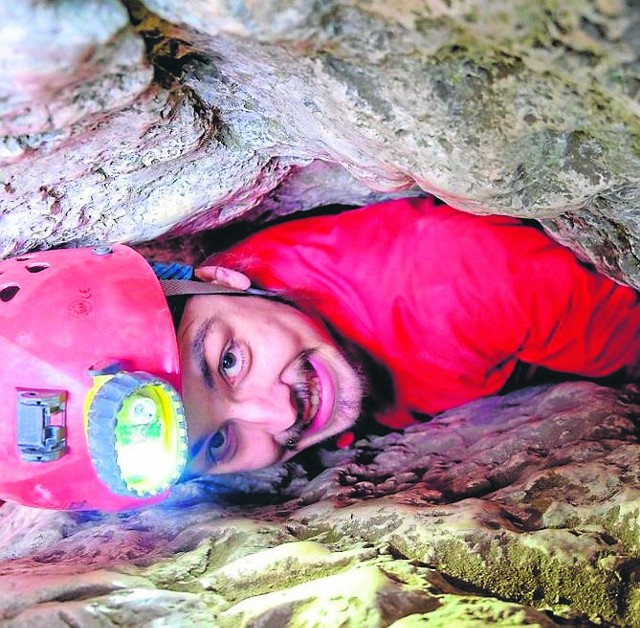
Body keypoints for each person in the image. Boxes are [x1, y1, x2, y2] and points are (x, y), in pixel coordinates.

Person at [177, 196, 640, 479]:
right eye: (218, 443)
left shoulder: (465, 279)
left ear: (221, 277)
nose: (278, 415)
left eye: (229, 362)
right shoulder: (226, 309)